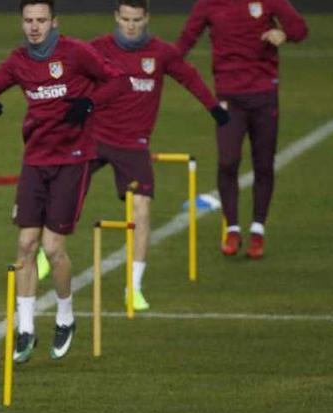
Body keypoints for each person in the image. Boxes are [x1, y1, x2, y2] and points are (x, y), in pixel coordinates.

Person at [0, 0, 123, 363]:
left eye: (41, 20)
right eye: (28, 20)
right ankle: (25, 330)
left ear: (55, 22)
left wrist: (88, 103)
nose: (35, 26)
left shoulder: (76, 53)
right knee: (25, 244)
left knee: (53, 249)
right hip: (35, 161)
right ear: (22, 23)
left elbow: (118, 81)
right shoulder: (18, 61)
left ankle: (66, 317)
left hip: (73, 160)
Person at [89, 0, 229, 310]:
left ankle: (134, 288)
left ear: (146, 18)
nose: (130, 25)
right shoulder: (97, 49)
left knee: (141, 210)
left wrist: (213, 108)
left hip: (133, 145)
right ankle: (46, 253)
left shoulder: (162, 53)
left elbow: (190, 77)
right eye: (125, 19)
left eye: (136, 19)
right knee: (62, 192)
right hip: (93, 139)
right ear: (116, 17)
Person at [176, 0, 308, 259]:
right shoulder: (208, 4)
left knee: (264, 163)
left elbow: (300, 28)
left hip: (264, 95)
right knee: (228, 161)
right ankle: (233, 229)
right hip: (228, 97)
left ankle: (258, 230)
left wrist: (284, 33)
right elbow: (184, 42)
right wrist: (158, 66)